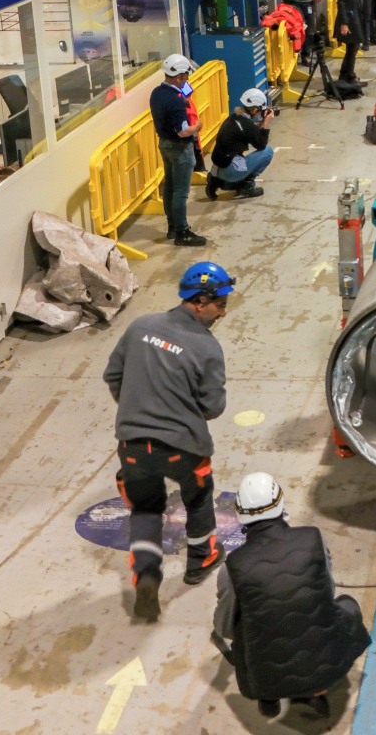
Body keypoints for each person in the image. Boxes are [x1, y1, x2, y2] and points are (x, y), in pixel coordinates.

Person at [103, 262, 234, 620]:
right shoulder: (207, 348)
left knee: (145, 508)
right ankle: (200, 562)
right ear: (199, 301)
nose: (223, 312)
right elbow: (213, 406)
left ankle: (146, 574)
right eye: (220, 304)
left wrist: (138, 407)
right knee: (198, 498)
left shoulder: (140, 326)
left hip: (132, 444)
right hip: (183, 447)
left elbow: (113, 375)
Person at [212, 473, 372, 721]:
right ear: (280, 504)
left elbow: (225, 627)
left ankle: (269, 699)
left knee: (248, 635)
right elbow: (326, 592)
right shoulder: (313, 538)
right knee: (345, 604)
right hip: (330, 668)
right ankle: (315, 689)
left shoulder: (233, 565)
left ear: (240, 513)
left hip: (267, 677)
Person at [149, 54, 206, 247]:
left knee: (170, 188)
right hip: (180, 148)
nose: (188, 79)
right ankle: (183, 232)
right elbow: (183, 131)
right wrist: (196, 127)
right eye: (186, 76)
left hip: (164, 144)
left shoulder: (157, 93)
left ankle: (172, 227)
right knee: (181, 192)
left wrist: (184, 97)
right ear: (179, 77)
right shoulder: (176, 100)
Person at [207, 88, 274, 201]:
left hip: (218, 168)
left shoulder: (232, 118)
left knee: (235, 157)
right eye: (260, 110)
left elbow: (250, 132)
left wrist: (261, 123)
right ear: (255, 109)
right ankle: (246, 185)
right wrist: (266, 125)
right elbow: (261, 144)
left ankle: (216, 182)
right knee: (268, 152)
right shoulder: (246, 125)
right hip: (231, 171)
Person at [334, 0, 368, 88]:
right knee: (352, 48)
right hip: (349, 20)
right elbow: (341, 2)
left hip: (354, 18)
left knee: (353, 48)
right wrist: (344, 23)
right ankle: (349, 77)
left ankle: (345, 76)